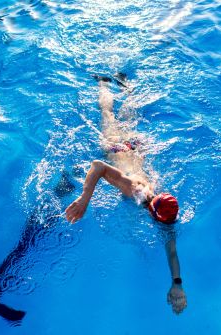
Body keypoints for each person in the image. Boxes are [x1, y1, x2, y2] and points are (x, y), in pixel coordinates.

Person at [64, 74, 187, 314]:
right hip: (116, 147)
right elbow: (98, 166)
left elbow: (172, 251)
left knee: (128, 115)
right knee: (107, 113)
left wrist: (177, 284)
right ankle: (103, 83)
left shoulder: (160, 207)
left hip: (134, 149)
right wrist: (84, 199)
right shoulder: (135, 190)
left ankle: (125, 84)